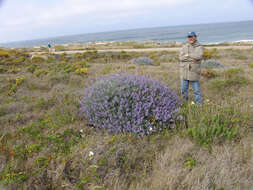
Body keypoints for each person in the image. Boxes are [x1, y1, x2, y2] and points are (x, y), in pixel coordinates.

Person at [179, 32, 204, 105]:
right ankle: (184, 104)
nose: (190, 38)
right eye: (189, 37)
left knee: (196, 91)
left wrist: (187, 55)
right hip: (184, 71)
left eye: (191, 36)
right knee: (183, 90)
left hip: (194, 71)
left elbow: (198, 56)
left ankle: (199, 105)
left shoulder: (199, 47)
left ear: (195, 37)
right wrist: (192, 58)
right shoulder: (184, 46)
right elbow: (181, 58)